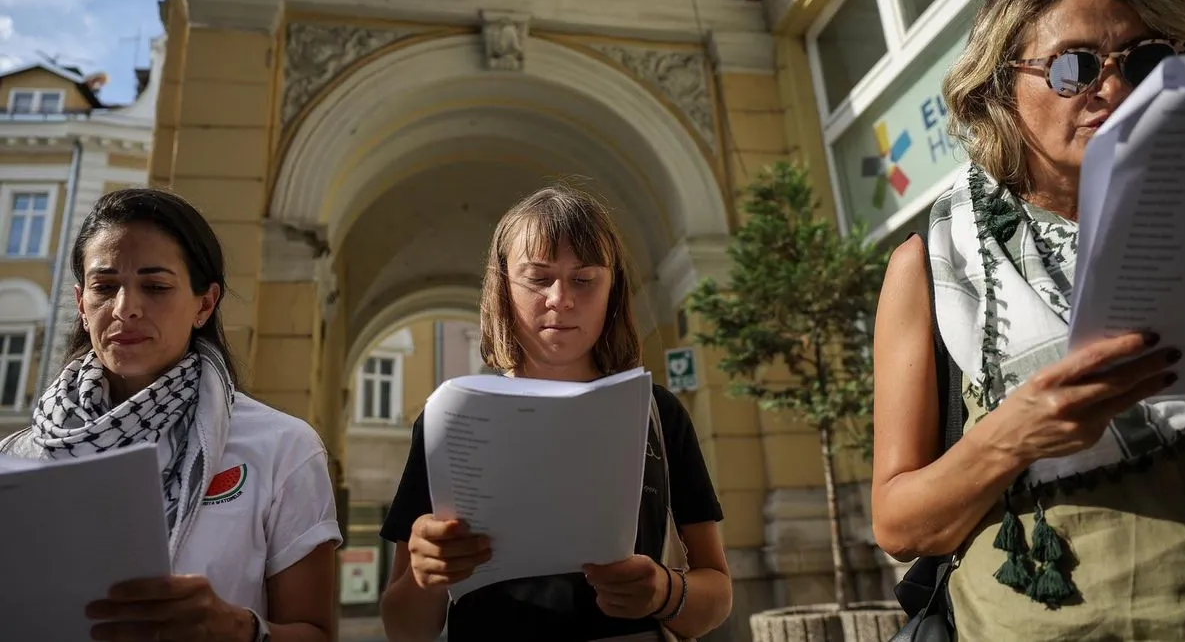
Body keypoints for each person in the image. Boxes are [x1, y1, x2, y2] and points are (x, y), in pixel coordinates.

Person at [871, 0, 1185, 639]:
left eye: (1143, 60)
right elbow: (899, 524)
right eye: (1073, 66)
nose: (1109, 87)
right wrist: (1011, 434)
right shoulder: (931, 265)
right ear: (998, 91)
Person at [378, 185, 732, 641]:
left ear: (612, 289)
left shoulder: (657, 413)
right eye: (538, 277)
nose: (560, 299)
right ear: (502, 285)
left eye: (584, 279)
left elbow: (717, 596)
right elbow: (404, 628)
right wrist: (429, 576)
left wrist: (665, 591)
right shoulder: (450, 420)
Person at [0, 188, 342, 642]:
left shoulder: (282, 446)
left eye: (156, 286)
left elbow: (317, 633)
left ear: (205, 304)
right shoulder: (18, 457)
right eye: (104, 287)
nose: (126, 308)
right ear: (82, 305)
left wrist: (237, 628)